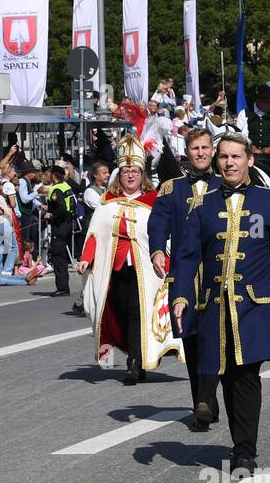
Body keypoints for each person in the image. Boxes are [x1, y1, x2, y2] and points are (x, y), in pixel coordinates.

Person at [171, 134, 270, 478]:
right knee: (224, 374)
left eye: (236, 157)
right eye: (223, 157)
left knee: (247, 375)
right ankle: (238, 441)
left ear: (249, 161)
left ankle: (244, 451)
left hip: (254, 306)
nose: (229, 163)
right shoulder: (203, 206)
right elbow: (186, 257)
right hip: (214, 305)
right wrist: (181, 296)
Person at [78, 135, 180, 385]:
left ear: (142, 174)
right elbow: (95, 234)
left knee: (138, 313)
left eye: (135, 171)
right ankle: (135, 356)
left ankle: (134, 362)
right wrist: (86, 259)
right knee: (119, 313)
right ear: (119, 174)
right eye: (126, 171)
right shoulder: (107, 202)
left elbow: (165, 236)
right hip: (114, 269)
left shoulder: (154, 201)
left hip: (145, 271)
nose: (131, 175)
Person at [150, 127, 223, 430]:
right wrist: (156, 250)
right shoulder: (172, 189)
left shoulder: (226, 185)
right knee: (191, 341)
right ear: (187, 153)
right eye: (196, 149)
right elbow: (158, 223)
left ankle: (206, 398)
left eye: (206, 148)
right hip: (185, 277)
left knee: (214, 339)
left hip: (219, 274)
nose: (202, 153)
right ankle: (202, 402)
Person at [43, 165, 76, 296]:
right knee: (61, 256)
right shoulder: (66, 186)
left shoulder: (56, 189)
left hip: (60, 226)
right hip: (67, 225)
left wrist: (51, 215)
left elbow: (61, 208)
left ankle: (62, 288)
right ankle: (64, 287)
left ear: (53, 175)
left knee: (58, 258)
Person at [243, 86, 270, 155]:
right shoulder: (244, 113)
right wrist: (252, 148)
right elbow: (242, 136)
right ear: (258, 101)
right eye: (268, 102)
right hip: (250, 154)